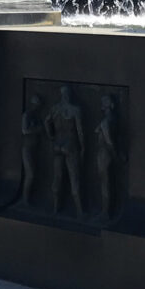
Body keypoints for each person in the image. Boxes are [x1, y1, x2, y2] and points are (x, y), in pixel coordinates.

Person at [44, 85, 85, 216]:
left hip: (57, 143)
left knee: (57, 177)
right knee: (74, 178)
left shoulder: (55, 109)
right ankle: (80, 211)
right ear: (69, 95)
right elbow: (80, 131)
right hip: (71, 145)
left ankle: (56, 208)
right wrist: (83, 147)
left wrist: (51, 136)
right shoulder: (75, 110)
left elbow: (46, 122)